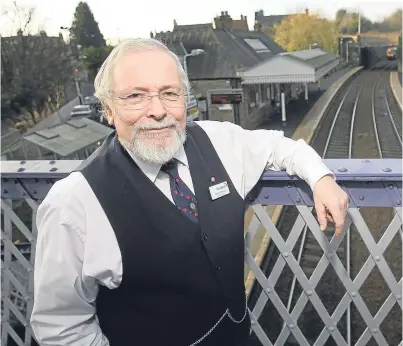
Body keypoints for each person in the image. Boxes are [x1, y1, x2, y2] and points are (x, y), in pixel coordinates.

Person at [30, 38, 348, 346]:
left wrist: (321, 178)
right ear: (109, 110)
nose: (157, 110)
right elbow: (61, 327)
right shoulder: (73, 203)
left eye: (170, 93)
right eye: (135, 96)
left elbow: (279, 146)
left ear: (186, 99)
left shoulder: (217, 140)